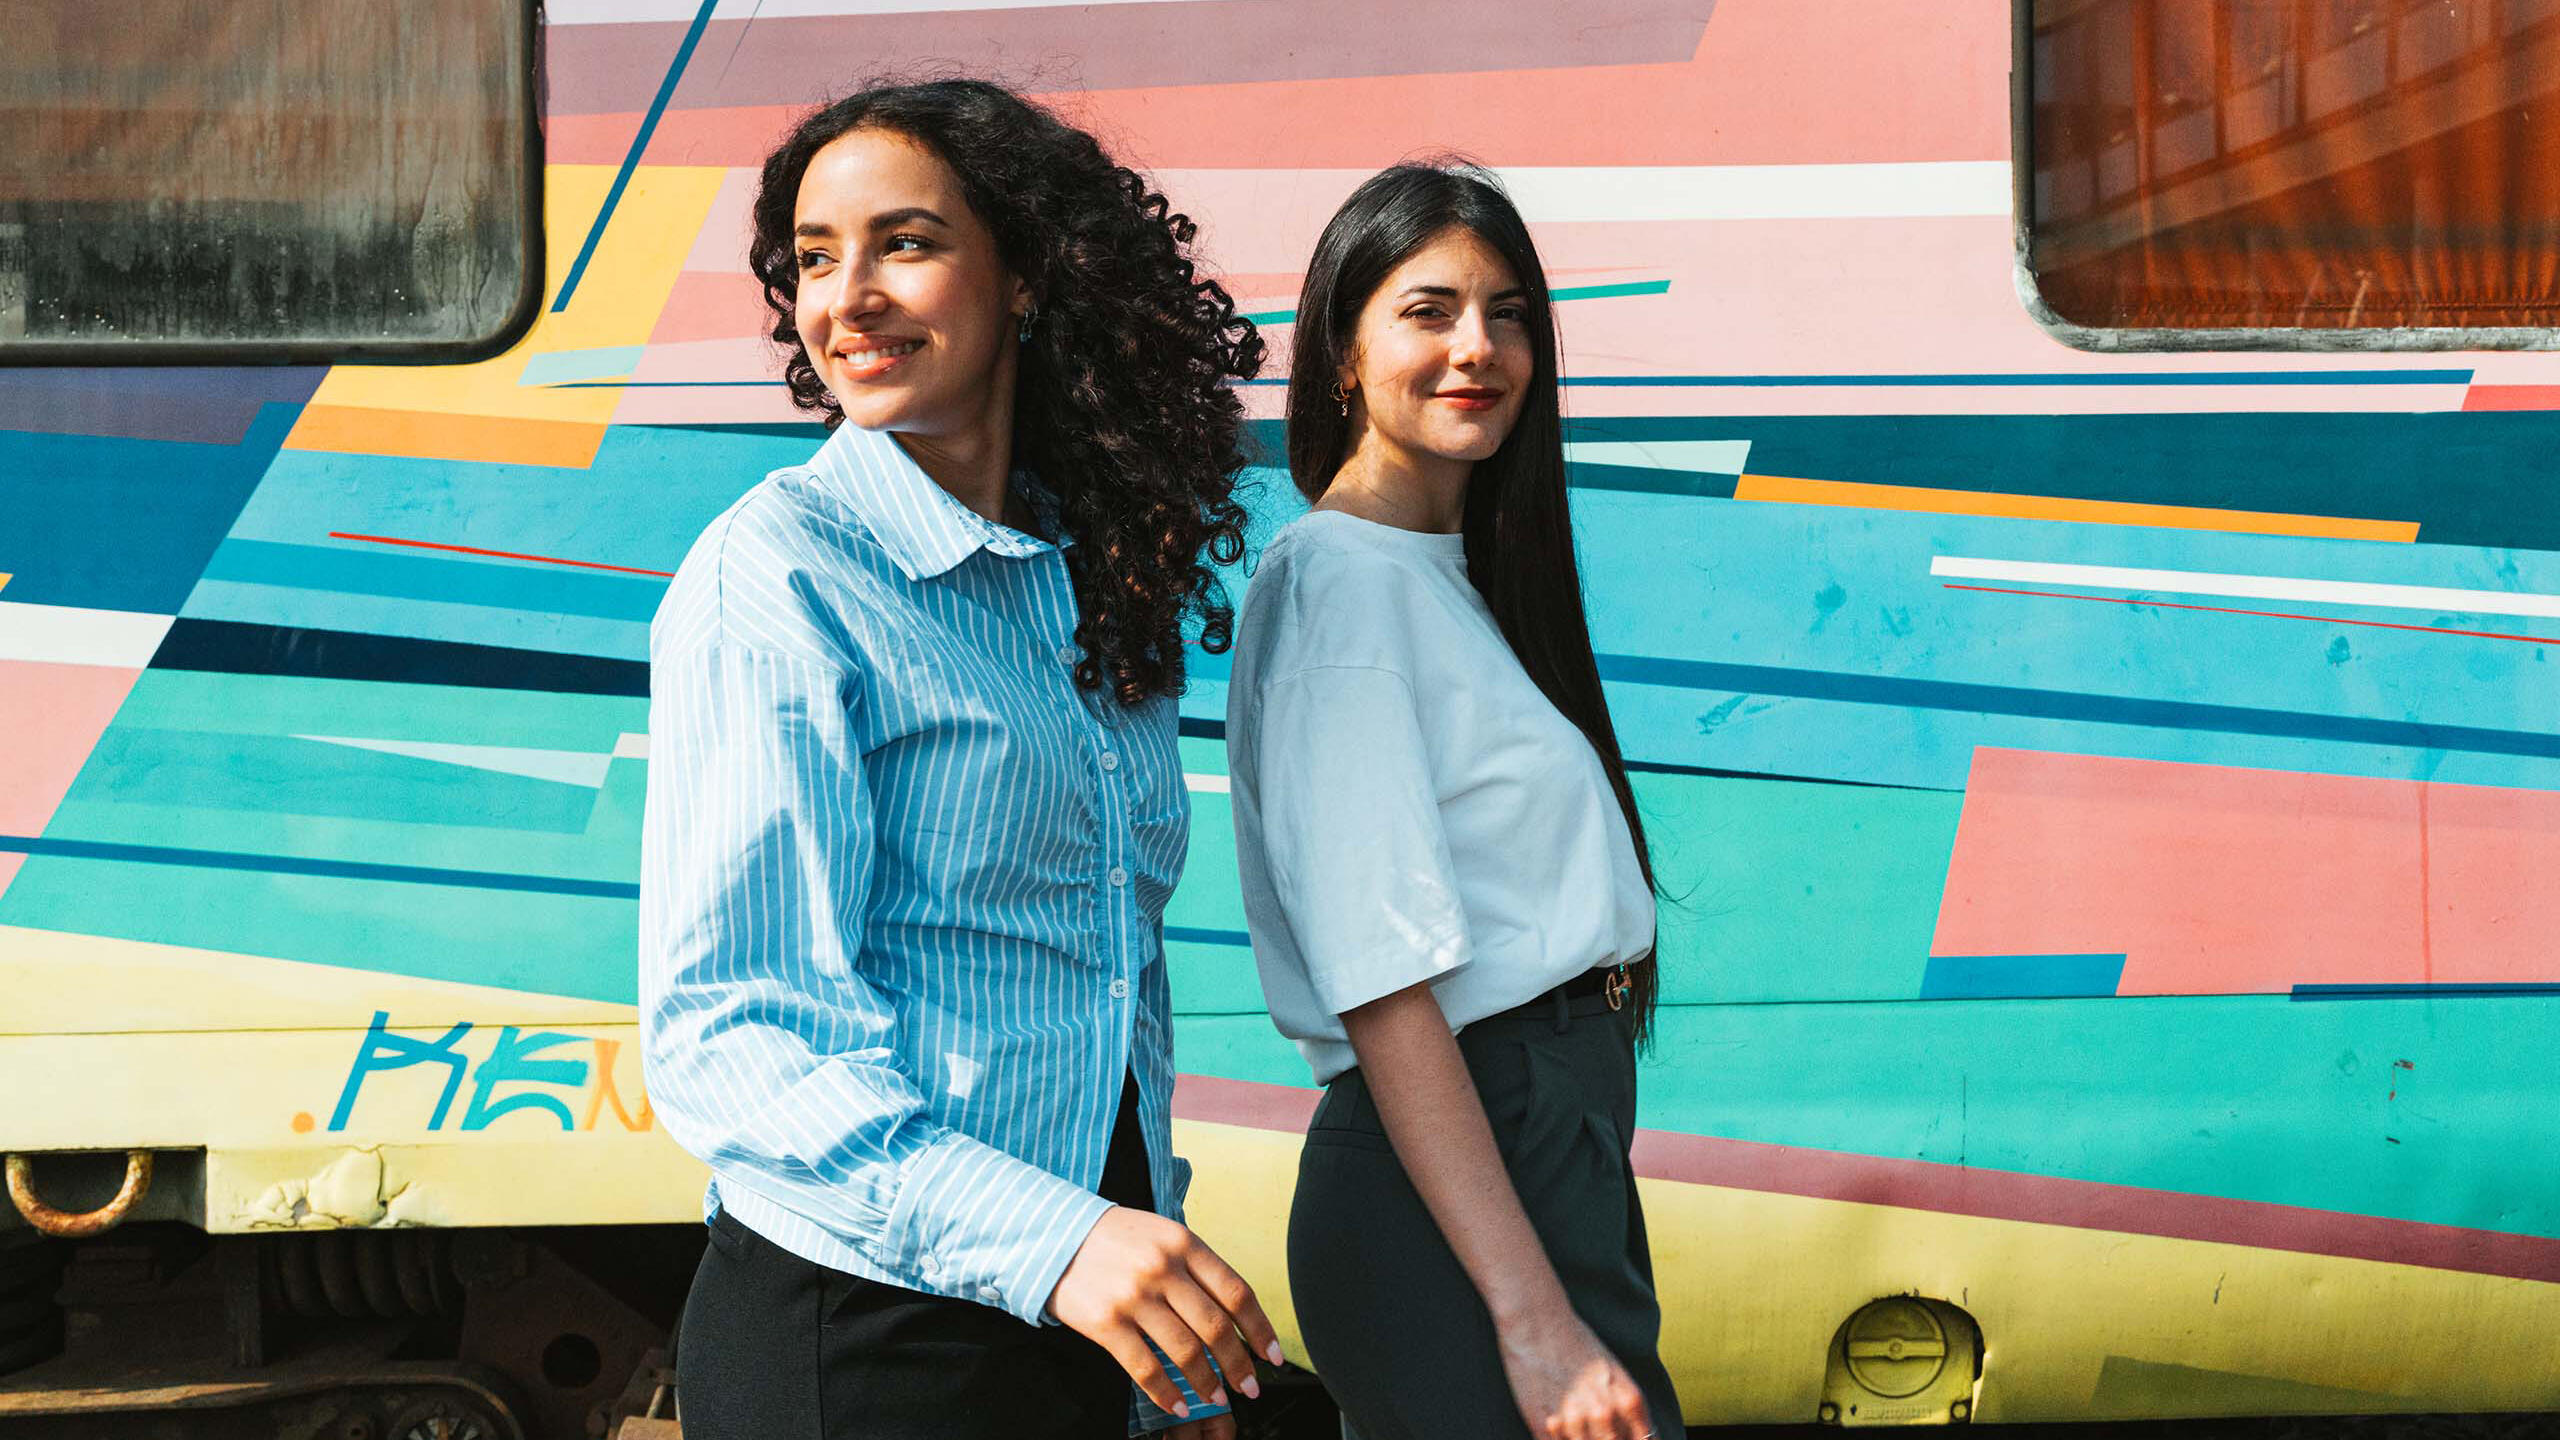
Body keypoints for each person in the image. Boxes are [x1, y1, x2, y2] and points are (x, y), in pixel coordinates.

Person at [639, 78, 1281, 1440]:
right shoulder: (780, 575)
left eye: (906, 243)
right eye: (817, 259)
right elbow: (734, 1029)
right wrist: (1063, 1243)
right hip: (868, 1335)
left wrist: (1151, 1306)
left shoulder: (1091, 579)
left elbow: (1109, 982)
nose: (849, 298)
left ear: (1028, 275)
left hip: (1069, 1320)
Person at [1226, 161, 1682, 1440]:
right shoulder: (1343, 587)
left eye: (1508, 313)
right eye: (1427, 311)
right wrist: (1534, 1322)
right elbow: (1382, 987)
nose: (1477, 348)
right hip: (1465, 1171)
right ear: (1341, 351)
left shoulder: (1441, 574)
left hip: (1533, 1142)